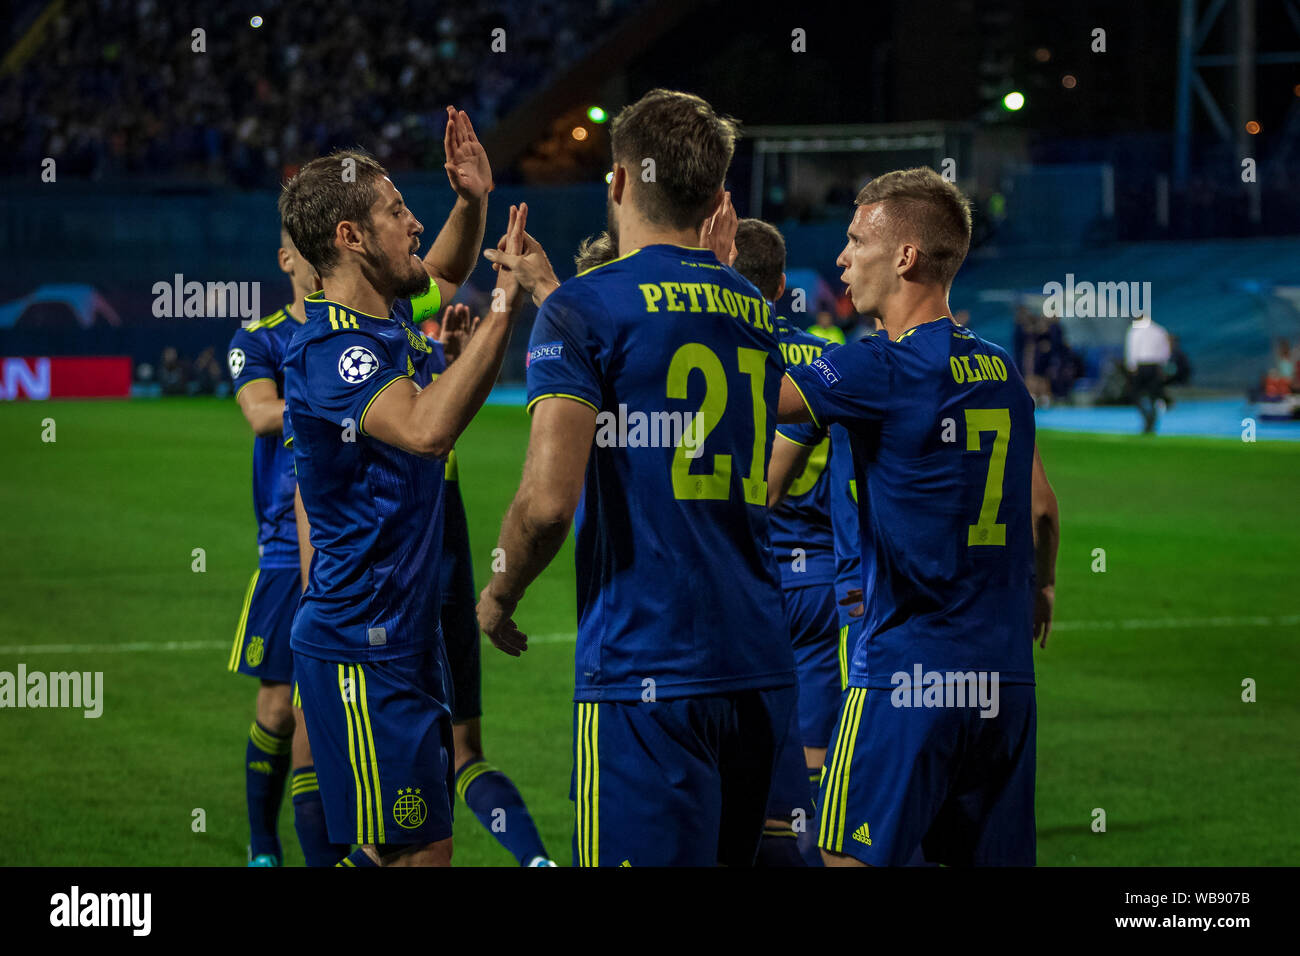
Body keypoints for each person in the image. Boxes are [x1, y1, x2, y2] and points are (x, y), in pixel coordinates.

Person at [478, 89, 796, 867]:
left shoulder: (585, 309)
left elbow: (548, 505)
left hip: (646, 666)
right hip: (758, 665)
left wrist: (499, 591)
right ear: (720, 198)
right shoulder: (756, 309)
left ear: (618, 182)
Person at [778, 167, 1060, 866]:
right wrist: (1042, 589)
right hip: (1005, 680)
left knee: (845, 858)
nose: (842, 258)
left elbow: (744, 402)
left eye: (855, 240)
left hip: (907, 675)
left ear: (905, 256)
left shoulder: (877, 367)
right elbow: (1043, 509)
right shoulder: (1002, 370)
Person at [280, 107, 523, 868]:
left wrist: (473, 201)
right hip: (361, 645)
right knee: (415, 855)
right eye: (396, 211)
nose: (414, 223)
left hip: (405, 639)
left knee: (414, 853)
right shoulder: (329, 349)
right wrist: (506, 305)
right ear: (349, 238)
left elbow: (441, 271)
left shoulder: (384, 320)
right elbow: (425, 430)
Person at [225, 228, 342, 866]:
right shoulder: (260, 336)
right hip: (282, 551)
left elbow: (434, 285)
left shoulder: (357, 325)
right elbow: (261, 414)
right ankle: (262, 842)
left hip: (347, 540)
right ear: (286, 259)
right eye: (306, 246)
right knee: (278, 707)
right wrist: (338, 393)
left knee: (324, 714)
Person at [732, 218, 841, 867]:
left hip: (746, 573)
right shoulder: (825, 357)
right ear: (780, 285)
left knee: (736, 738)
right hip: (821, 578)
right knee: (815, 752)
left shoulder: (719, 353)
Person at [1124, 312, 1172, 433]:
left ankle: (1147, 419)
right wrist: (1163, 366)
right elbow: (1165, 350)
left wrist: (1131, 367)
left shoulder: (1135, 331)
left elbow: (1132, 349)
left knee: (1135, 394)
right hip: (1155, 366)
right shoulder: (1159, 330)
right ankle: (1152, 421)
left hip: (1141, 366)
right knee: (1154, 396)